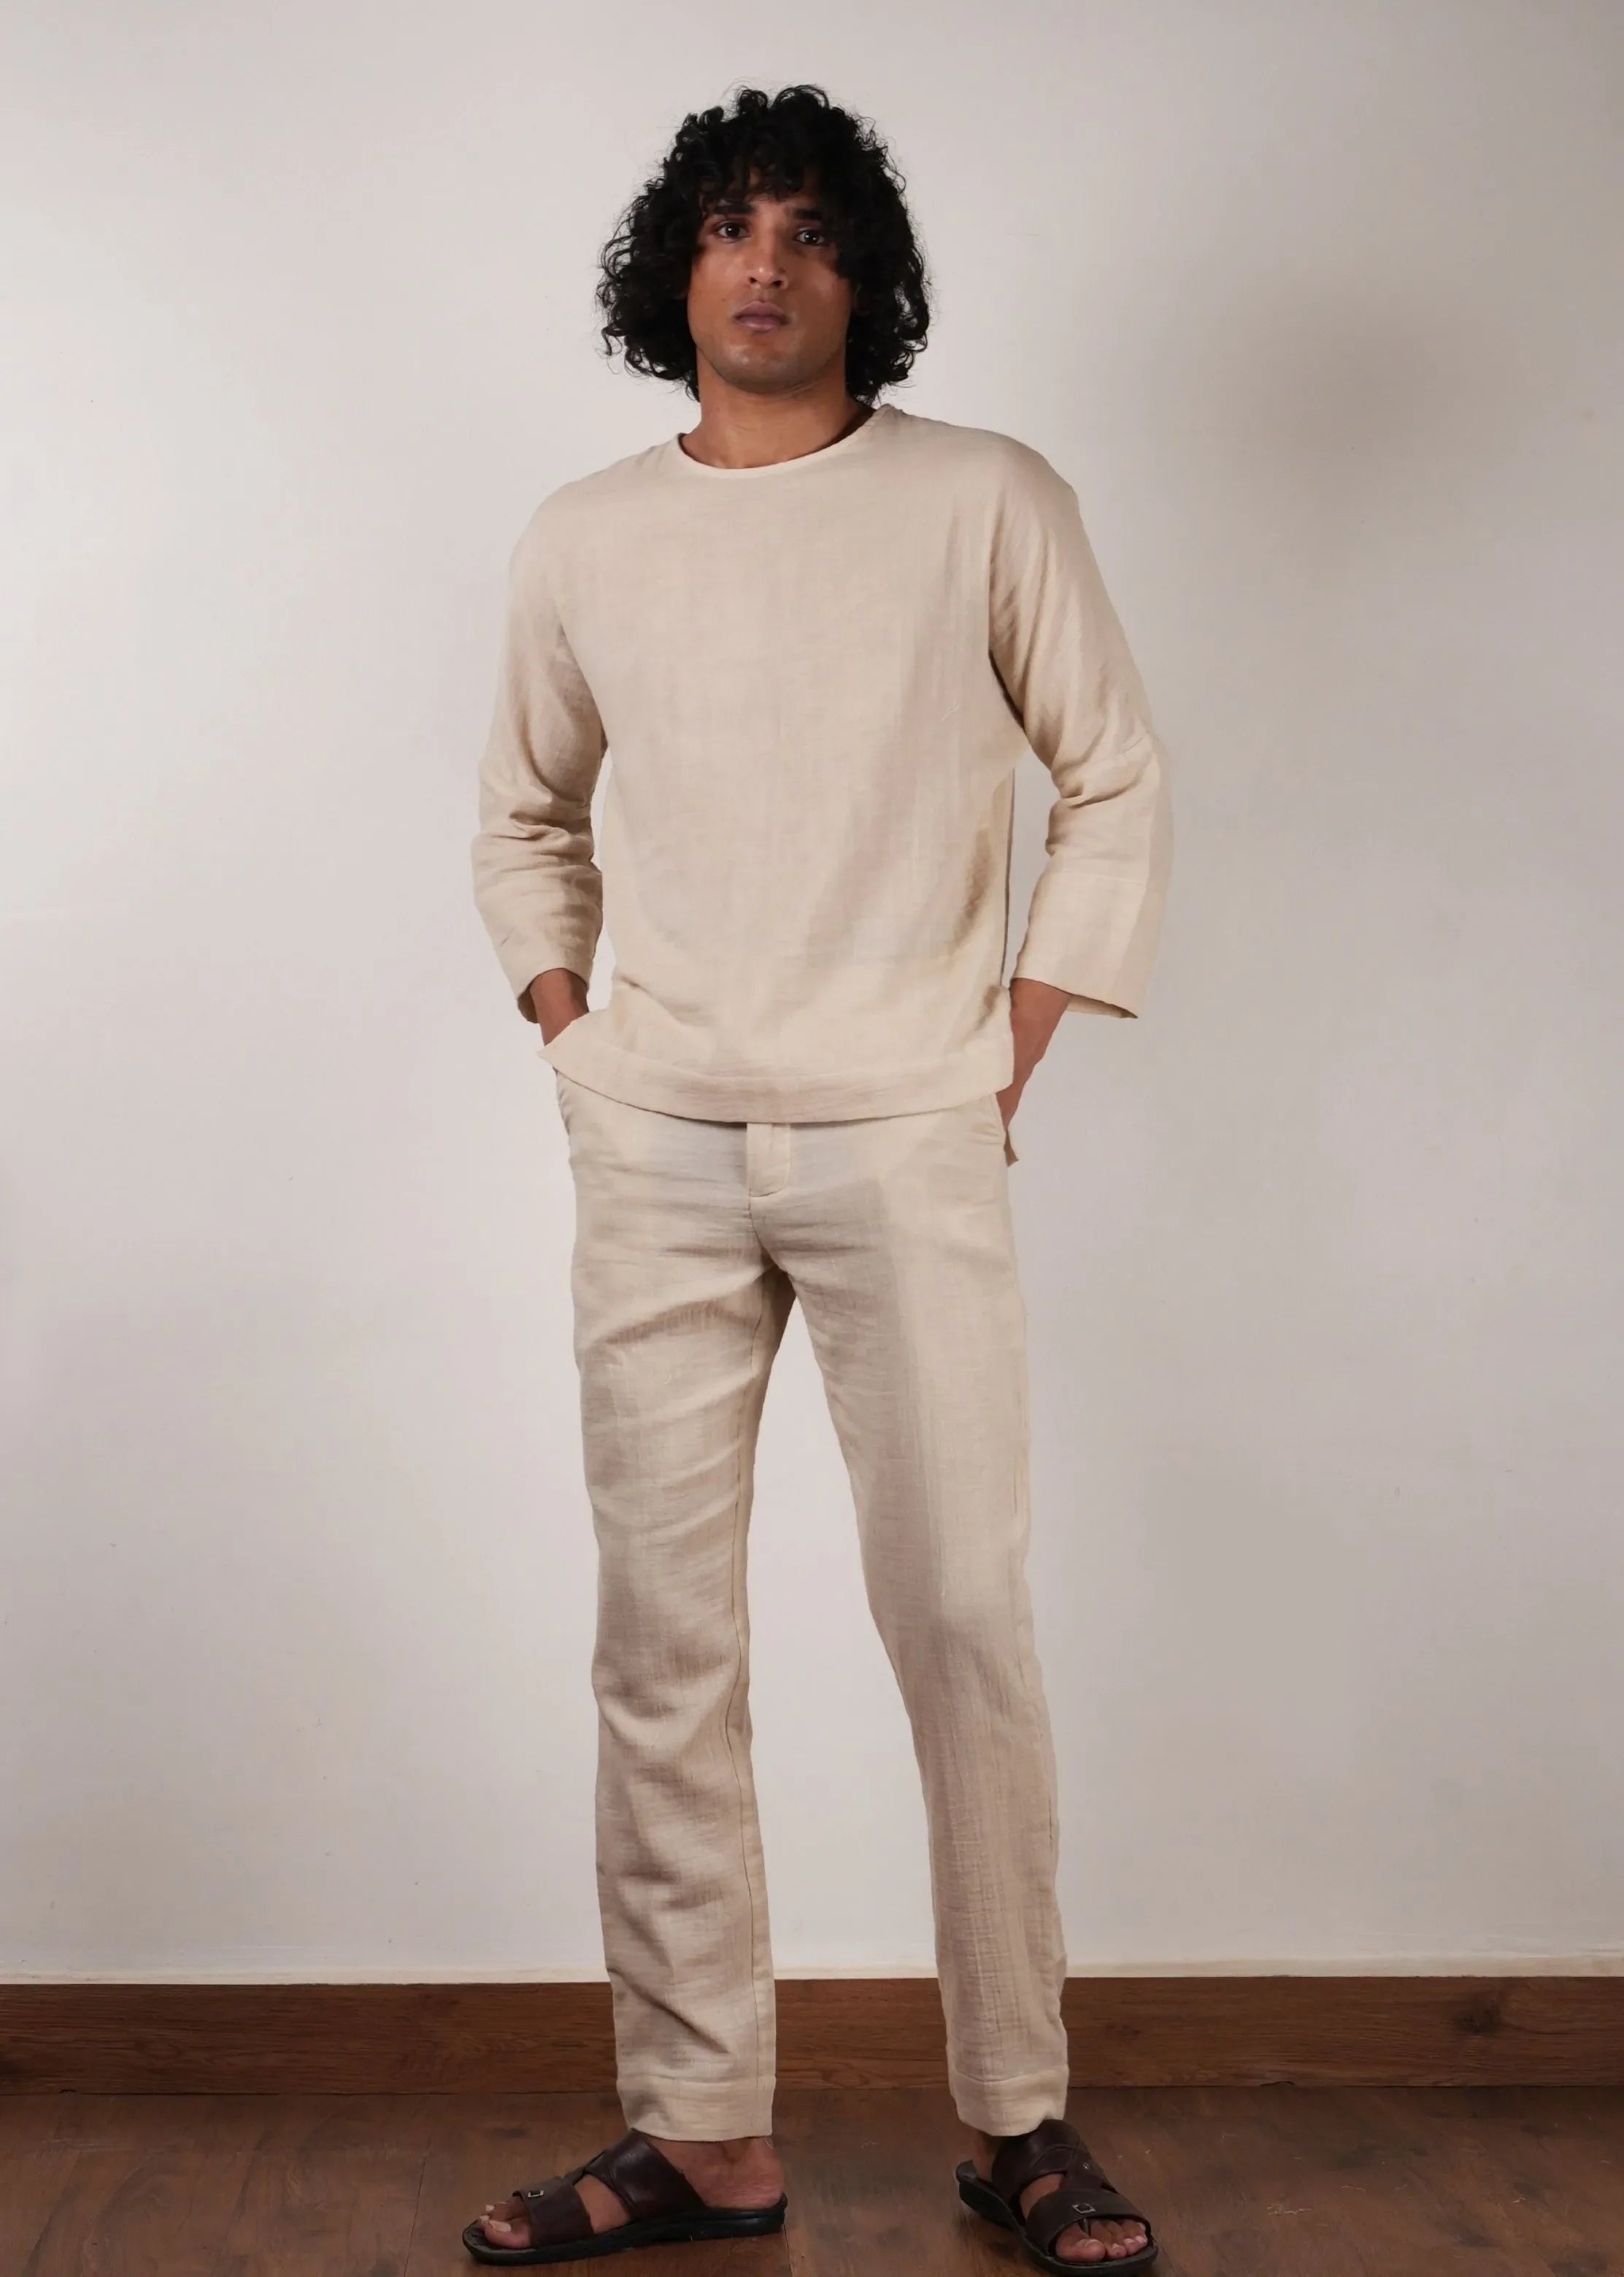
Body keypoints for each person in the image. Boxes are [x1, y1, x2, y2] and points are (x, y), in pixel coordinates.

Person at [464, 80, 1171, 2274]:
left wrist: (1005, 1045)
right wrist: (572, 1032)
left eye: (806, 229)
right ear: (671, 272)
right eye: (724, 226)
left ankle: (1020, 2116)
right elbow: (521, 813)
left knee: (960, 1620)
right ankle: (700, 2134)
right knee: (662, 1645)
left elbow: (1116, 777)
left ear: (866, 273)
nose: (762, 264)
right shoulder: (584, 534)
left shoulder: (982, 499)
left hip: (905, 1126)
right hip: (656, 1139)